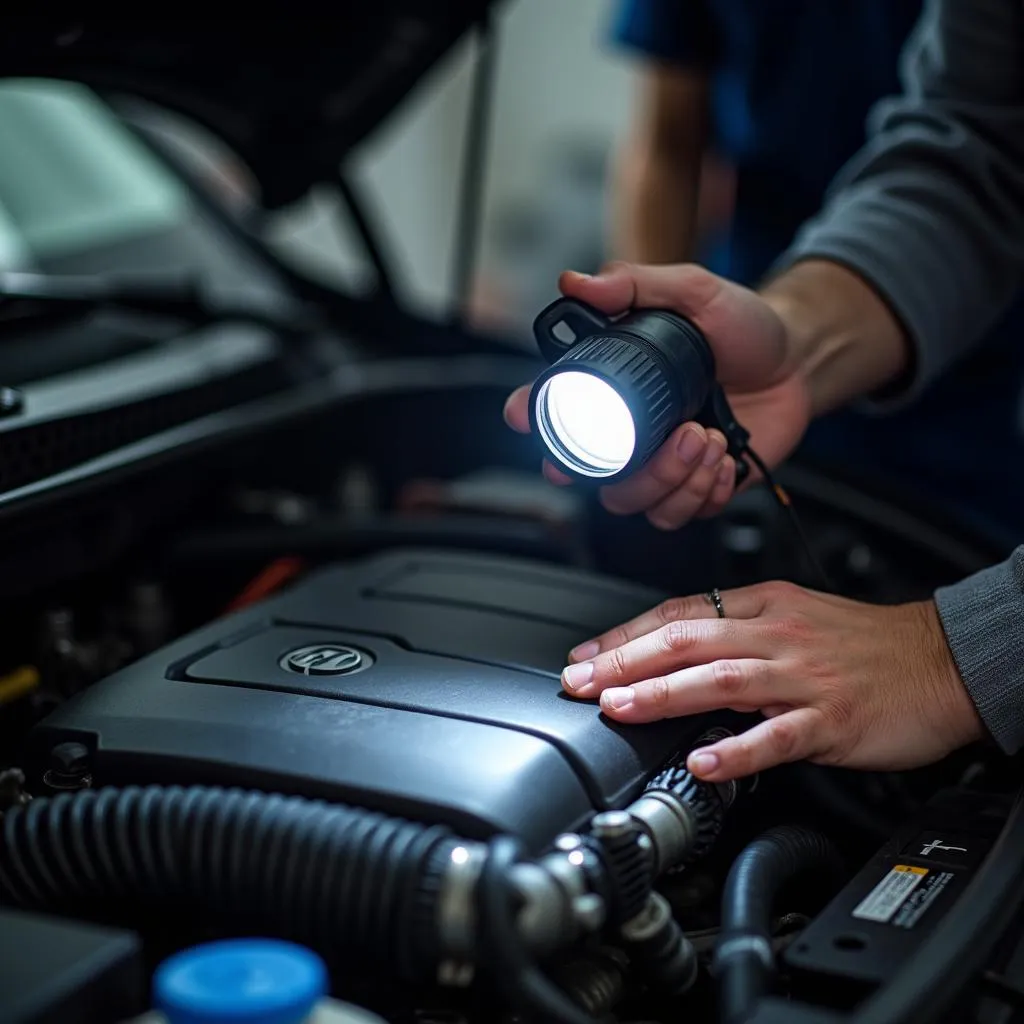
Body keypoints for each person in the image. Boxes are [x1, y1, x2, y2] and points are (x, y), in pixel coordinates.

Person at [504, 0, 1024, 783]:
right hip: (807, 351)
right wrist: (792, 340)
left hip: (971, 433)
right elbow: (982, 157)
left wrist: (962, 653)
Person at [607, 0, 1024, 538]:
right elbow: (972, 164)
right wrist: (775, 342)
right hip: (754, 320)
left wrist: (947, 625)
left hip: (965, 378)